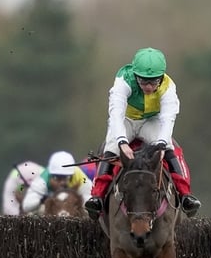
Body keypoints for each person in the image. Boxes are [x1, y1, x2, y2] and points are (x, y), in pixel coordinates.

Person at [84, 47, 201, 220]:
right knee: (111, 148)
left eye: (153, 82)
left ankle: (185, 196)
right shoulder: (123, 80)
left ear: (161, 77)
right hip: (126, 120)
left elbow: (168, 118)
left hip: (150, 121)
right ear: (135, 75)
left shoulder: (169, 87)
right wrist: (122, 142)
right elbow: (116, 114)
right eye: (143, 81)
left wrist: (161, 143)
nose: (148, 86)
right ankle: (97, 197)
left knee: (169, 148)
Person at [22, 151, 92, 214]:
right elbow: (26, 206)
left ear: (72, 175)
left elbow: (90, 204)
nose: (62, 182)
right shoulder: (43, 180)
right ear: (51, 175)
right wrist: (42, 200)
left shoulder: (80, 178)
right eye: (57, 177)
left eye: (66, 177)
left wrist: (79, 202)